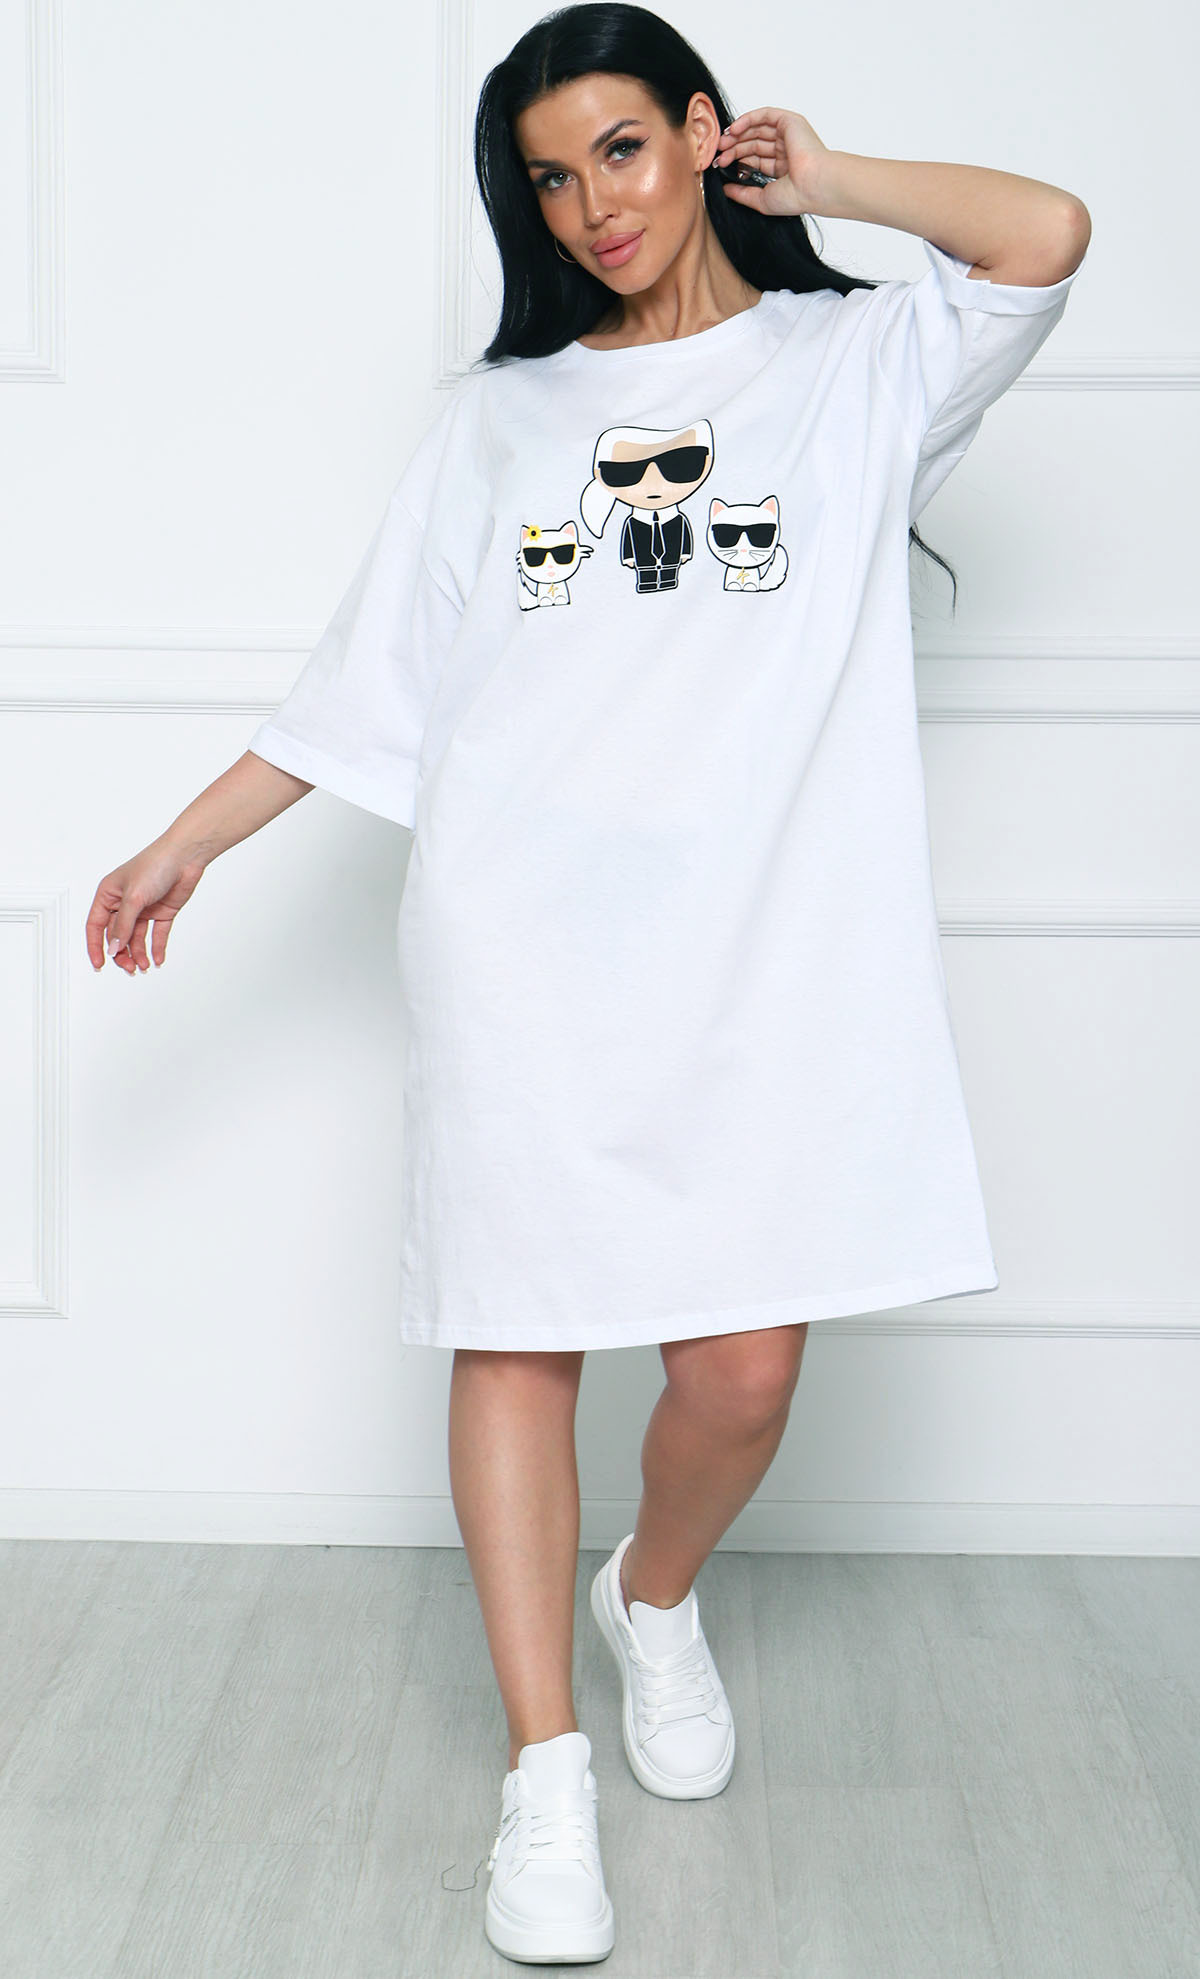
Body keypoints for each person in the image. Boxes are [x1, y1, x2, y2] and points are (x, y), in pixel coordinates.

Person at [85, 2, 1090, 1964]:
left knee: (744, 1368)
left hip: (771, 950)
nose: (591, 205)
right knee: (518, 1334)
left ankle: (653, 1597)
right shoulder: (503, 417)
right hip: (521, 945)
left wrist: (831, 180)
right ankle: (542, 1768)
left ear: (704, 134)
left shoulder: (859, 362)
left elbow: (1045, 234)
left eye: (622, 149)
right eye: (551, 178)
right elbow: (372, 679)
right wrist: (193, 836)